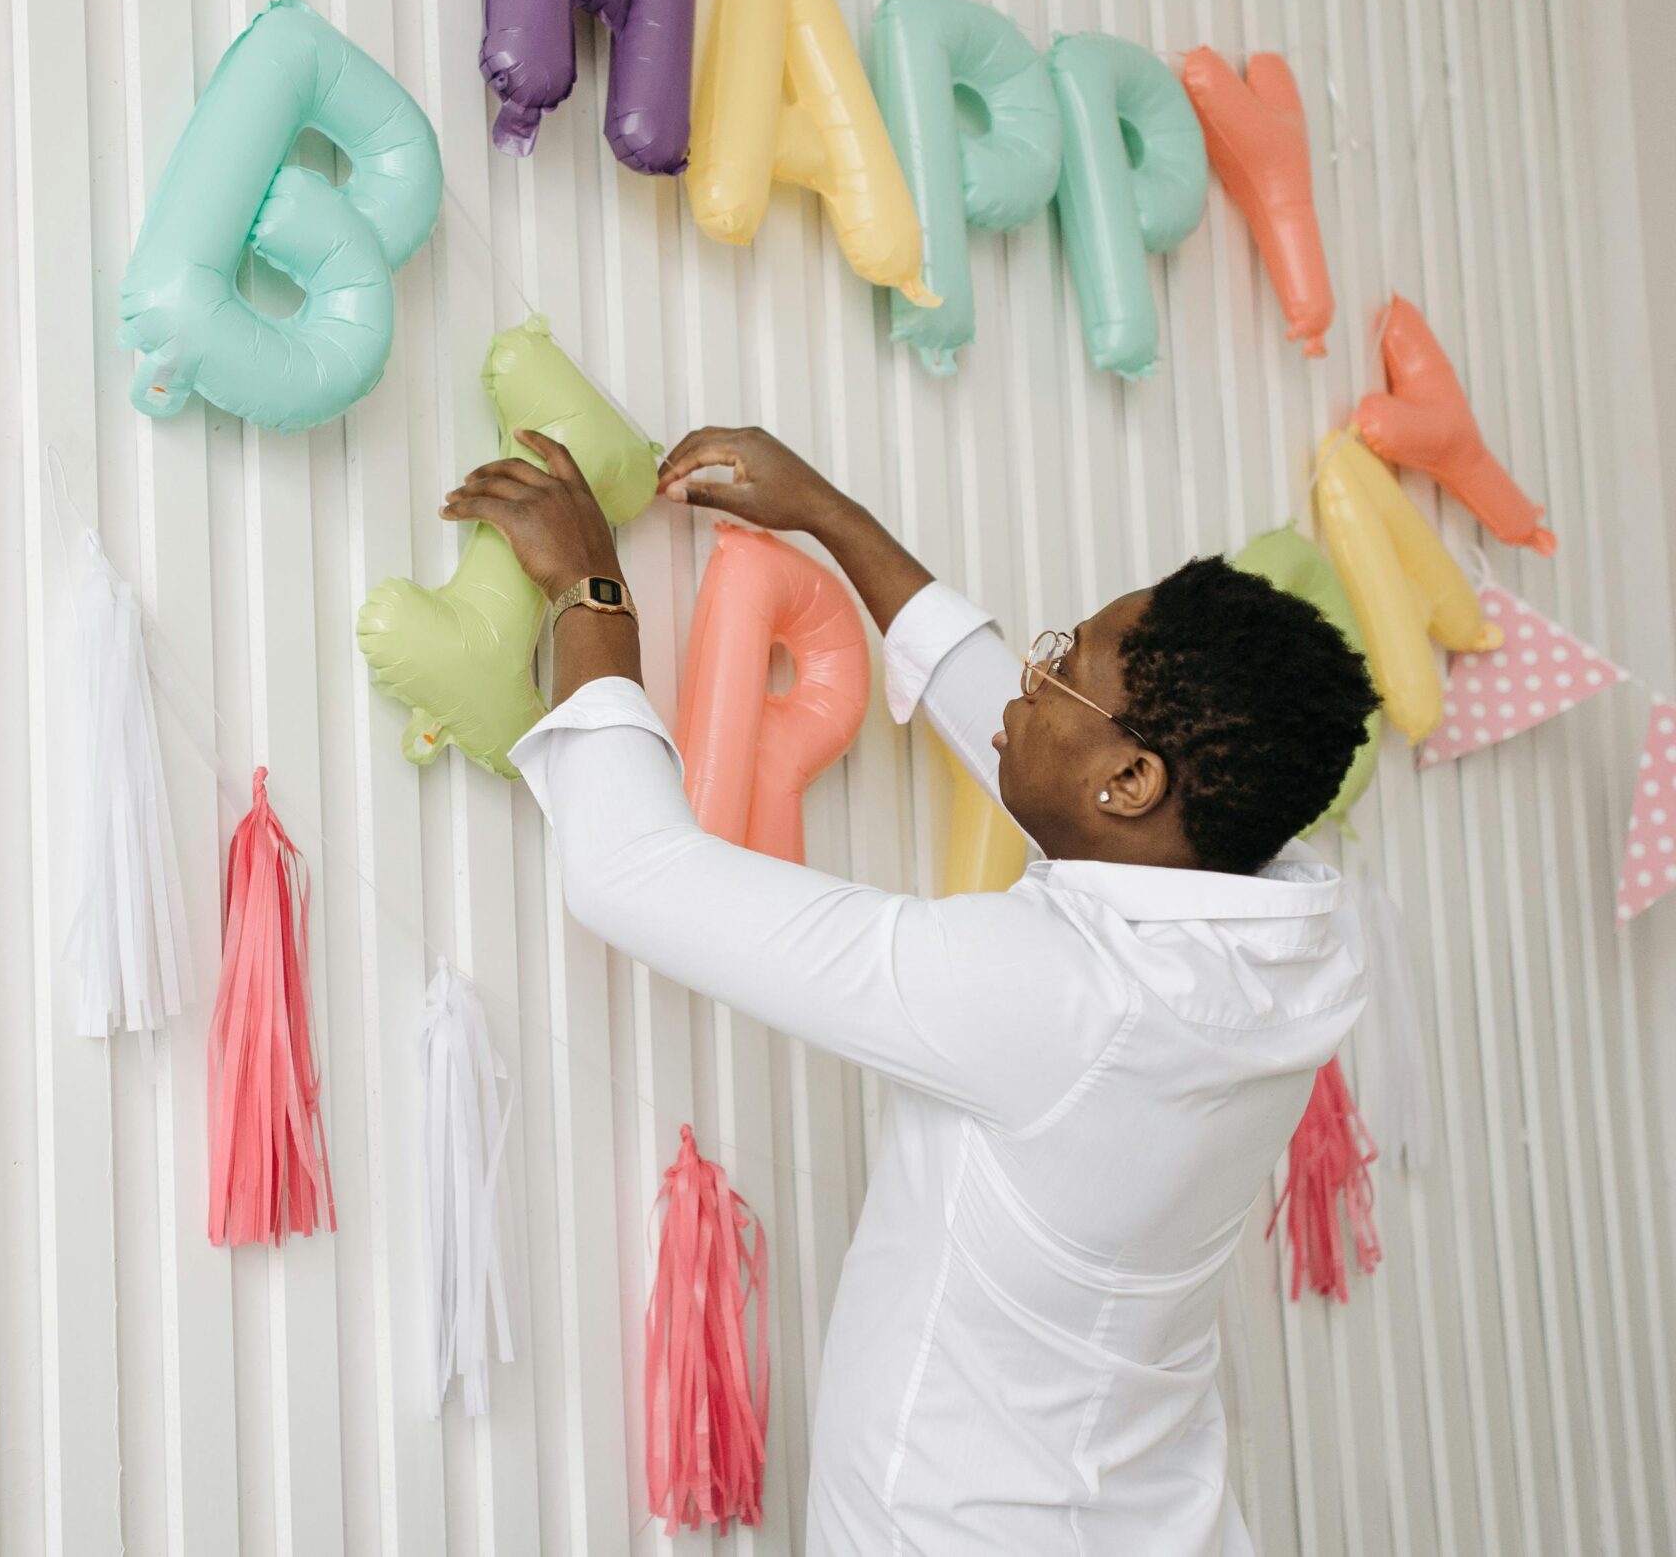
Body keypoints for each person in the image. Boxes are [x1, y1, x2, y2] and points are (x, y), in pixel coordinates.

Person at [443, 423, 1378, 1555]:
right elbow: (1047, 763)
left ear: (1133, 778)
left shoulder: (1062, 996)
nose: (1023, 684)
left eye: (1057, 669)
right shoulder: (1279, 925)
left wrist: (593, 589)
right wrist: (831, 516)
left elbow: (631, 873)